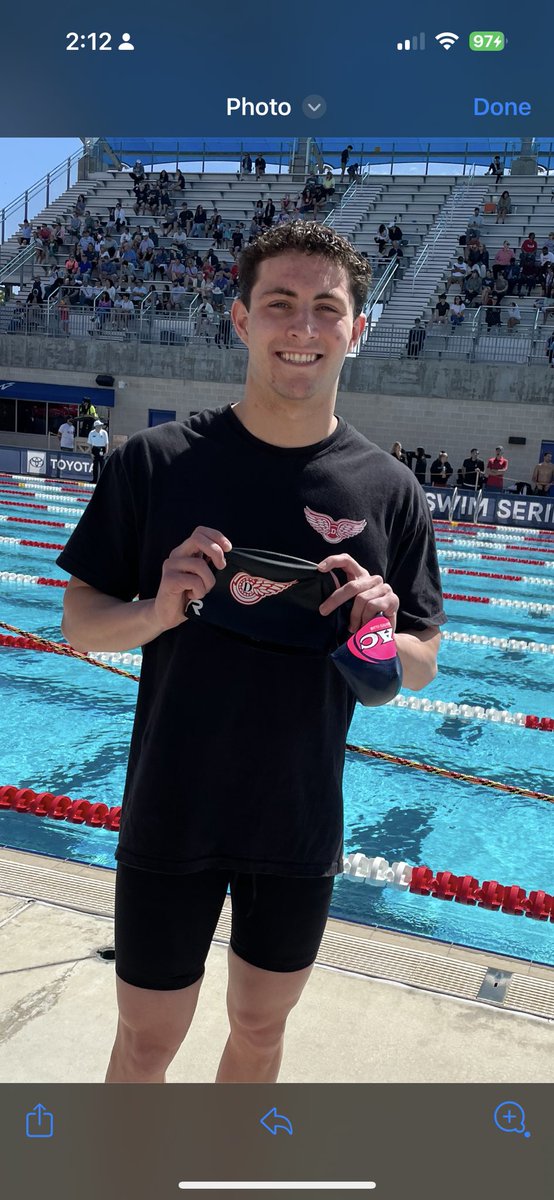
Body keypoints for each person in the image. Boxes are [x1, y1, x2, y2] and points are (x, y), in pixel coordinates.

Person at [56, 220, 445, 1087]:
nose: (301, 328)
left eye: (324, 308)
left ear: (358, 329)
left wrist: (379, 634)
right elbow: (81, 621)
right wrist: (158, 611)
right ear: (240, 319)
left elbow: (421, 658)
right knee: (146, 1044)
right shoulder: (154, 464)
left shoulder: (389, 490)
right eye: (279, 305)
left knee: (261, 1036)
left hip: (297, 818)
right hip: (171, 807)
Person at [87, 418, 109, 483]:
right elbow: (90, 444)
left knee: (102, 466)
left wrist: (106, 452)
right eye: (99, 426)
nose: (100, 427)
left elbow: (107, 443)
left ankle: (102, 481)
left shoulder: (104, 432)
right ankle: (95, 480)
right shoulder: (91, 433)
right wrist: (91, 453)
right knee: (95, 466)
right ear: (96, 426)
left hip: (102, 449)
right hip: (95, 449)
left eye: (101, 425)